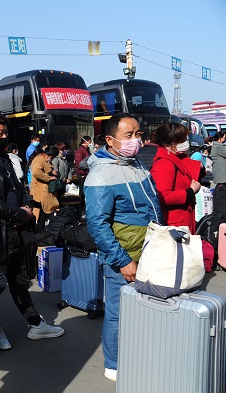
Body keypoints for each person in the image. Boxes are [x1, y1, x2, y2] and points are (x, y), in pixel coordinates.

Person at [0, 111, 64, 351]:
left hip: (17, 231)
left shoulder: (6, 160)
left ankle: (35, 323)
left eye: (6, 133)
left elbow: (20, 188)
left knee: (20, 279)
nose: (4, 137)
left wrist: (27, 206)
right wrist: (22, 214)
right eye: (0, 133)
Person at [84, 113, 161, 382]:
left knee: (143, 311)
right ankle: (114, 364)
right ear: (110, 139)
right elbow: (97, 225)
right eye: (129, 135)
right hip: (124, 258)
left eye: (138, 134)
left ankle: (136, 354)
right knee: (117, 314)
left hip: (148, 252)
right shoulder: (101, 174)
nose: (136, 140)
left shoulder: (136, 164)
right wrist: (123, 260)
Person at [149, 122, 203, 233]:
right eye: (182, 140)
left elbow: (190, 171)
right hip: (174, 225)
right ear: (169, 144)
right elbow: (164, 197)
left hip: (182, 221)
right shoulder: (164, 163)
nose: (185, 142)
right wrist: (190, 191)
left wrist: (200, 168)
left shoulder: (176, 156)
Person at [29, 146, 60, 232]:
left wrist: (51, 172)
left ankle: (41, 232)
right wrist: (49, 177)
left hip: (45, 191)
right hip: (40, 191)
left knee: (44, 213)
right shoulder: (39, 160)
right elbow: (36, 172)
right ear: (50, 155)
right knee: (40, 214)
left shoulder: (45, 160)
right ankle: (39, 233)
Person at [74, 136, 92, 205]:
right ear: (86, 141)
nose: (90, 143)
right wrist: (82, 174)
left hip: (86, 174)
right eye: (90, 142)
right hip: (83, 175)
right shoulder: (80, 150)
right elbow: (79, 163)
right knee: (82, 192)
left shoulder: (86, 150)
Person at [211, 132, 226, 214]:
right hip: (222, 178)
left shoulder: (217, 146)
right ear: (220, 138)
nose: (224, 140)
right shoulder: (218, 147)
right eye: (224, 138)